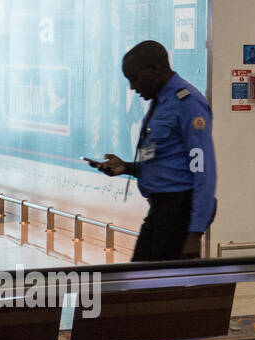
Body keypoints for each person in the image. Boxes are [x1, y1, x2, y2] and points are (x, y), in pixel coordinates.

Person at [92, 41, 217, 261]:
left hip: (178, 212)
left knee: (152, 285)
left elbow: (204, 172)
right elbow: (167, 161)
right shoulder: (162, 100)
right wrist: (127, 167)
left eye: (135, 78)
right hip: (161, 211)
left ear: (155, 69)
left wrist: (194, 233)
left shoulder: (187, 104)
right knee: (141, 282)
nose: (133, 87)